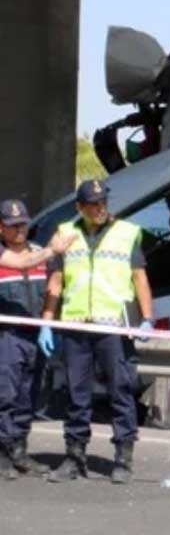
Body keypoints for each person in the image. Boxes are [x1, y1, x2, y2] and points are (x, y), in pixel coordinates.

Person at [43, 180, 153, 484]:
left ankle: (122, 458)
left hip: (113, 326)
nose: (101, 207)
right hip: (76, 325)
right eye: (94, 203)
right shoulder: (65, 233)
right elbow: (56, 280)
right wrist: (48, 320)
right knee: (76, 394)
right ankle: (74, 456)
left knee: (121, 390)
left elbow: (140, 278)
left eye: (103, 201)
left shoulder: (126, 233)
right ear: (80, 207)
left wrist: (147, 317)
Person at [0, 200, 54, 480]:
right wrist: (53, 249)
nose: (20, 229)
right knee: (4, 395)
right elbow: (21, 262)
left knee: (30, 394)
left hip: (35, 335)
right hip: (6, 336)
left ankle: (19, 448)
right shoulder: (5, 255)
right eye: (13, 225)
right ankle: (3, 452)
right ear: (1, 228)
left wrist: (47, 321)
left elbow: (52, 290)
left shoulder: (37, 253)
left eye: (23, 223)